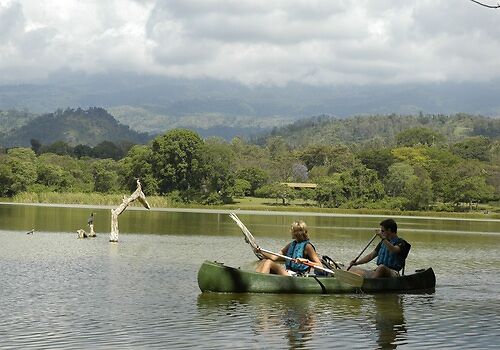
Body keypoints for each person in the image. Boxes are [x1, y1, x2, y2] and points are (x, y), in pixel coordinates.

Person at [255, 220, 323, 276]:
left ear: (300, 233)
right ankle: (255, 278)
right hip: (288, 272)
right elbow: (274, 257)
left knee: (269, 262)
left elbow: (320, 265)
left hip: (298, 275)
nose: (292, 232)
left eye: (293, 231)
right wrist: (261, 251)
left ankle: (260, 281)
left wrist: (306, 261)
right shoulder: (291, 245)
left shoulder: (308, 246)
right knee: (264, 261)